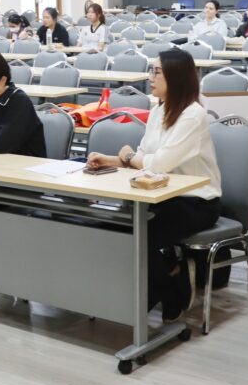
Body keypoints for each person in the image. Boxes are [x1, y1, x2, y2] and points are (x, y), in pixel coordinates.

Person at [87, 49, 221, 322]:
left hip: (197, 202)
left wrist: (129, 157)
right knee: (115, 228)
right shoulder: (159, 109)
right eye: (151, 70)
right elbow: (142, 156)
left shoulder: (193, 115)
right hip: (159, 196)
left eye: (157, 72)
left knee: (140, 235)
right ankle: (169, 278)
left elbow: (158, 164)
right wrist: (110, 160)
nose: (150, 77)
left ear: (176, 77)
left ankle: (169, 292)